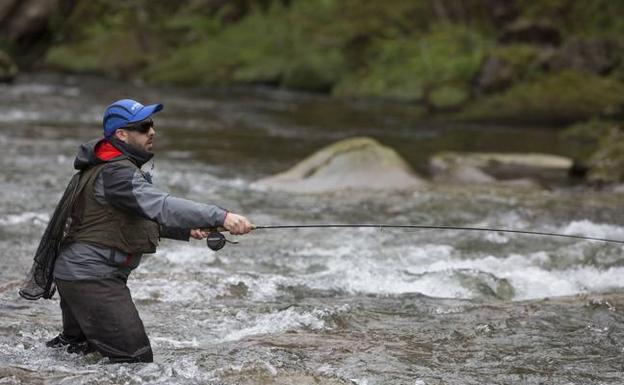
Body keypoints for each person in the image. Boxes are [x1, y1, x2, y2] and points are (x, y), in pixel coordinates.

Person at [43, 99, 252, 363]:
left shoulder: (109, 166)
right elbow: (162, 206)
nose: (152, 131)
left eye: (151, 125)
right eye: (143, 126)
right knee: (136, 363)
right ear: (121, 134)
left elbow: (132, 217)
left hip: (80, 275)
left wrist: (188, 230)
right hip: (91, 278)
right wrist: (221, 215)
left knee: (79, 356)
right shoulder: (117, 173)